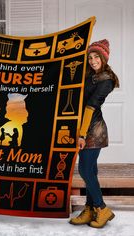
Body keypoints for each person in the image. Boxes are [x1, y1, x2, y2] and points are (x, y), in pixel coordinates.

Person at [69, 39, 119, 228]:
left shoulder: (106, 80)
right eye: (90, 57)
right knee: (91, 170)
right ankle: (90, 209)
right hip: (84, 126)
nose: (92, 60)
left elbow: (90, 106)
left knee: (84, 170)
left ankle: (102, 208)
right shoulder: (90, 75)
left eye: (96, 56)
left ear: (104, 58)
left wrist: (82, 135)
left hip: (94, 130)